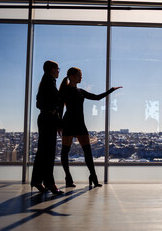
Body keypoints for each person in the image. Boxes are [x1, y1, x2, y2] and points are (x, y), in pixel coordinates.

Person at [59, 67, 122, 187]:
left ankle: (93, 177)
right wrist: (59, 125)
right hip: (68, 123)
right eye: (79, 75)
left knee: (87, 151)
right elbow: (61, 108)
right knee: (65, 152)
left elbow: (97, 98)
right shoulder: (65, 90)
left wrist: (111, 90)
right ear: (72, 76)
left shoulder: (80, 91)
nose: (81, 77)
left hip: (80, 124)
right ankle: (68, 177)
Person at [31, 60, 64, 195]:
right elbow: (47, 101)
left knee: (43, 152)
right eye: (57, 68)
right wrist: (53, 110)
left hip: (45, 119)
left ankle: (37, 181)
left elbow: (39, 102)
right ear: (52, 69)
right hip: (48, 120)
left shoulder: (46, 81)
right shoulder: (49, 82)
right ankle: (49, 183)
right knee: (48, 153)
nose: (58, 71)